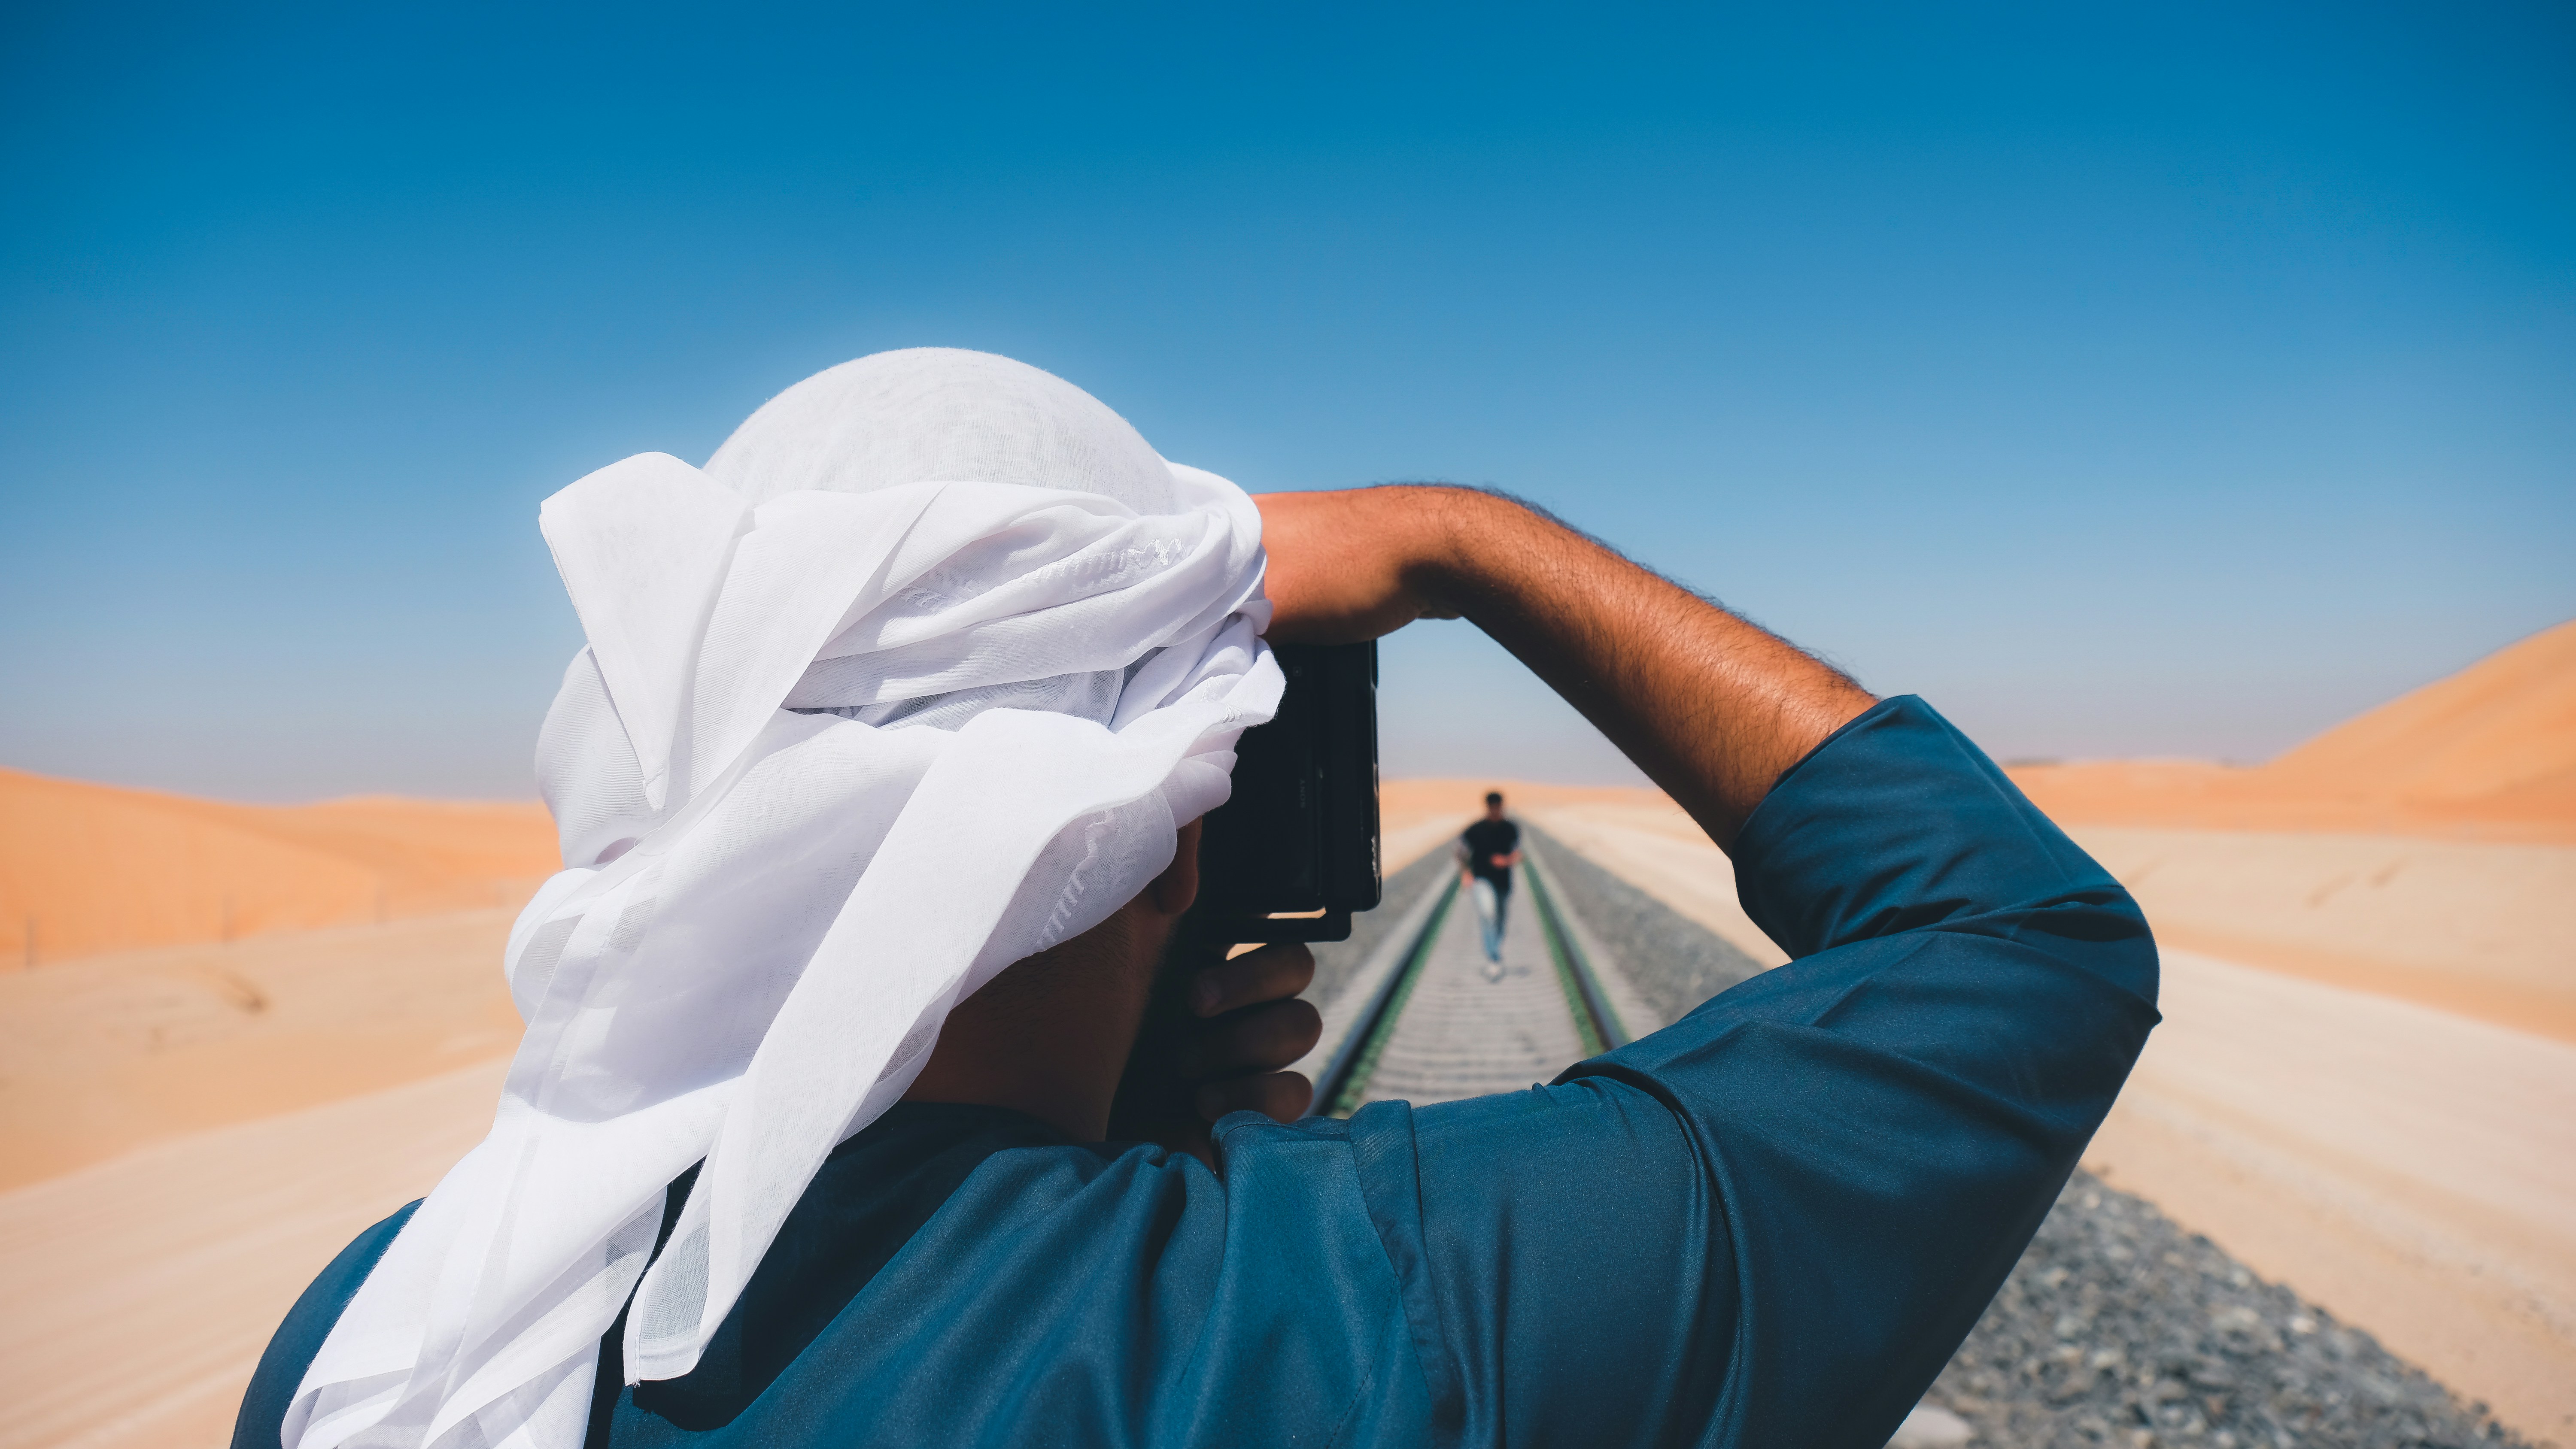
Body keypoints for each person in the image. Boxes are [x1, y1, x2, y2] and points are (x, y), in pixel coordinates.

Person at [237, 351, 2157, 1449]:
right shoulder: (1353, 1312)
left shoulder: (384, 1330)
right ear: (1164, 833)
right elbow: (2017, 941)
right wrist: (1469, 542)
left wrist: (1081, 1140)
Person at [1456, 791, 1523, 965]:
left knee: (1501, 917)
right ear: (1487, 807)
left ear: (1502, 806)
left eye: (1498, 807)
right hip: (1481, 878)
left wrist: (1506, 860)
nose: (1495, 810)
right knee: (1487, 913)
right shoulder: (1476, 829)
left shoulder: (1511, 828)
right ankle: (1492, 954)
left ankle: (1495, 947)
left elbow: (1519, 853)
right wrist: (1466, 872)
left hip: (1503, 881)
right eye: (1492, 807)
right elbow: (1460, 851)